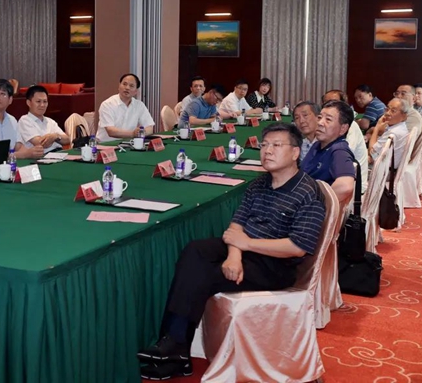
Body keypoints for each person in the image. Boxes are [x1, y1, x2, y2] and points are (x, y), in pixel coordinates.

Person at [137, 123, 325, 381]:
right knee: (196, 250)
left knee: (204, 274)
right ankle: (175, 344)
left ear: (295, 153)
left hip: (276, 266)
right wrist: (235, 255)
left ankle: (176, 346)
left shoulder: (308, 192)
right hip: (247, 250)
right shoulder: (259, 184)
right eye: (264, 145)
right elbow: (236, 226)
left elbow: (297, 247)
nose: (267, 151)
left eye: (276, 145)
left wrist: (246, 245)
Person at [301, 100, 356, 205]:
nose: (320, 123)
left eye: (328, 119)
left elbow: (346, 186)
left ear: (343, 128)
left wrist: (315, 205)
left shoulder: (339, 151)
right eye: (320, 117)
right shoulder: (318, 145)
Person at [322, 90, 368, 193]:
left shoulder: (350, 126)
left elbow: (342, 154)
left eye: (334, 102)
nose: (329, 106)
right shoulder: (326, 126)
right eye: (326, 102)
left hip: (353, 184)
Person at [96, 73, 155, 142]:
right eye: (124, 84)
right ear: (119, 86)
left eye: (131, 86)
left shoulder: (139, 105)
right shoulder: (107, 104)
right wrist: (132, 134)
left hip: (128, 144)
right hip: (106, 144)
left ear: (136, 91)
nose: (127, 88)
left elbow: (150, 128)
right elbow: (111, 131)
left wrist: (140, 133)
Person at [18, 85, 70, 153]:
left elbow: (67, 140)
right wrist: (55, 137)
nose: (42, 105)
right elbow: (41, 143)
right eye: (38, 101)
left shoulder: (50, 121)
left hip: (60, 153)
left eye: (45, 101)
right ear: (29, 103)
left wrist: (55, 136)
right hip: (43, 156)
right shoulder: (25, 120)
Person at [368, 98, 410, 170]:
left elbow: (371, 152)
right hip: (389, 166)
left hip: (384, 170)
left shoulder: (393, 132)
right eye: (387, 109)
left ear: (404, 116)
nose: (387, 113)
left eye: (393, 111)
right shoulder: (401, 126)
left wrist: (377, 128)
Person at [394, 84, 422, 157]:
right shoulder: (396, 112)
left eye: (403, 94)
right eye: (397, 93)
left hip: (396, 154)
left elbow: (401, 141)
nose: (398, 96)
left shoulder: (413, 117)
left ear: (414, 98)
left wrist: (377, 130)